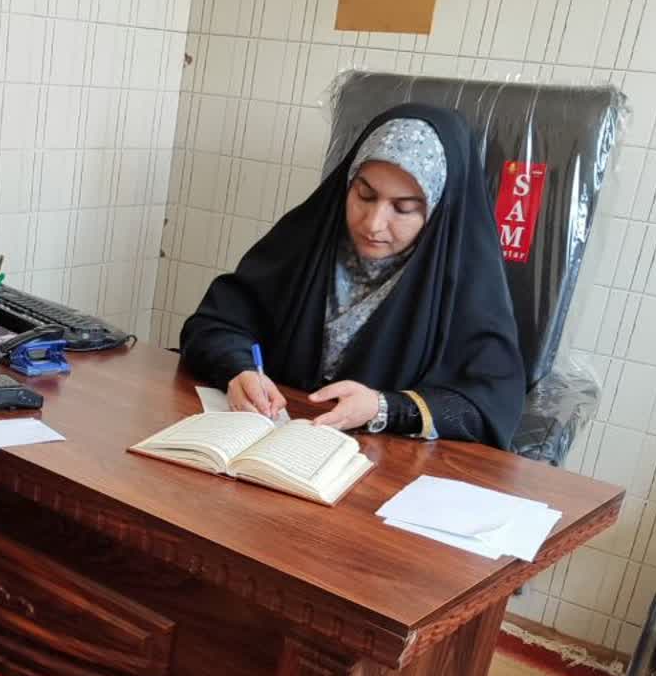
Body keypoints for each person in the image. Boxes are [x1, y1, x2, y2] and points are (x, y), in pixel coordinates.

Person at [179, 105, 523, 448]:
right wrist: (238, 369)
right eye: (364, 195)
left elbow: (488, 406)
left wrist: (385, 407)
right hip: (273, 445)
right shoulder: (306, 244)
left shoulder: (467, 287)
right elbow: (214, 325)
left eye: (403, 208)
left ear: (437, 210)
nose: (373, 224)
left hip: (385, 465)